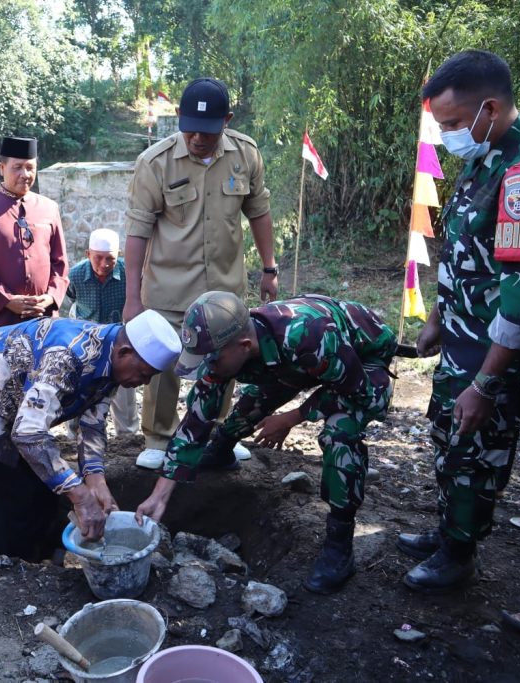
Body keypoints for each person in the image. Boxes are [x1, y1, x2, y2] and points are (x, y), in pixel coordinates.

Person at [396, 50, 520, 593]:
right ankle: (452, 527)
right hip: (466, 336)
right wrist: (439, 316)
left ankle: (459, 555)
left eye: (451, 124)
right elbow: (467, 253)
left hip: (497, 352)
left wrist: (487, 382)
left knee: (475, 447)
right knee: (450, 437)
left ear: (490, 109)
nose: (447, 135)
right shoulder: (486, 155)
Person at [135, 292, 397, 594]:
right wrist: (162, 492)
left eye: (212, 360)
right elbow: (198, 416)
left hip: (361, 363)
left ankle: (340, 545)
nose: (207, 367)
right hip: (299, 361)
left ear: (244, 346)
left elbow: (356, 391)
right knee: (250, 407)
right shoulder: (229, 349)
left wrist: (292, 417)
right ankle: (221, 451)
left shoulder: (308, 336)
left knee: (340, 434)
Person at [0, 310, 181, 559]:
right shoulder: (67, 356)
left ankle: (46, 551)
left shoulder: (112, 361)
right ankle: (12, 566)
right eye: (144, 374)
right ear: (125, 352)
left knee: (43, 491)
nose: (144, 383)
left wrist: (95, 480)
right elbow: (29, 434)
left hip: (11, 406)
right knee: (6, 494)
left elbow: (92, 424)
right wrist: (81, 497)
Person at [123, 77, 278, 470]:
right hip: (168, 287)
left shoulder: (245, 155)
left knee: (226, 358)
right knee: (162, 365)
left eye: (207, 132)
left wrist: (269, 268)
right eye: (189, 128)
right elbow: (138, 231)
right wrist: (132, 298)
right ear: (178, 117)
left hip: (225, 286)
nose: (197, 138)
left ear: (227, 120)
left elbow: (259, 212)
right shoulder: (155, 163)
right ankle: (159, 436)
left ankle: (215, 429)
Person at [0, 136, 68, 331]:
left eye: (30, 168)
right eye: (17, 167)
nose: (25, 174)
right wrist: (7, 300)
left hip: (44, 317)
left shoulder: (49, 208)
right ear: (1, 168)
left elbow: (60, 262)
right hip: (1, 318)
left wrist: (49, 297)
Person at [62, 228, 138, 434]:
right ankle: (73, 433)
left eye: (110, 259)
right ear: (88, 254)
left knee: (124, 389)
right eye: (98, 258)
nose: (104, 264)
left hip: (119, 339)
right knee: (78, 386)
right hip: (85, 339)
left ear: (119, 254)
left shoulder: (128, 274)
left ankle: (127, 434)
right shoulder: (76, 275)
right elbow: (69, 303)